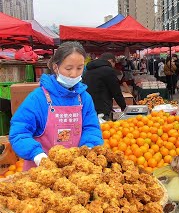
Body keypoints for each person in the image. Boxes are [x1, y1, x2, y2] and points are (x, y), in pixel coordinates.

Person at [9, 41, 104, 170]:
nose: (74, 74)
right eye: (68, 68)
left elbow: (91, 128)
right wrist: (37, 155)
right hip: (40, 172)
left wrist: (88, 147)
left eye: (79, 68)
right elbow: (19, 132)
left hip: (75, 171)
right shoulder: (38, 98)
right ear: (55, 67)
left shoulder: (84, 98)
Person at [83, 52, 127, 119]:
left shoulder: (89, 70)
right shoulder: (108, 70)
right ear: (111, 61)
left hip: (88, 105)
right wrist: (123, 106)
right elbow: (116, 91)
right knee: (104, 127)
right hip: (102, 106)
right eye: (114, 63)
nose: (114, 66)